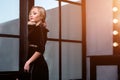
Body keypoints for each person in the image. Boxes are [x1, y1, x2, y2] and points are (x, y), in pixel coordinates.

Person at [19, 6, 49, 80]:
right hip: (31, 62)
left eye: (34, 13)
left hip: (37, 65)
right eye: (30, 14)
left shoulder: (40, 28)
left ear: (41, 16)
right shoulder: (34, 27)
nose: (31, 15)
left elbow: (41, 49)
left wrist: (28, 62)